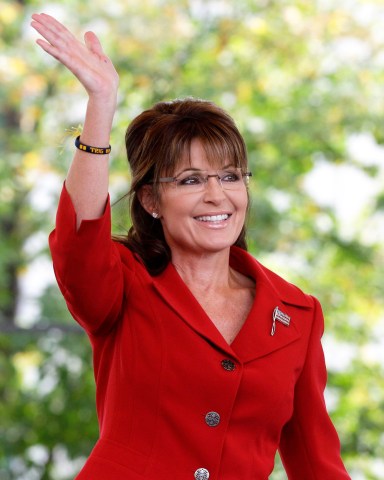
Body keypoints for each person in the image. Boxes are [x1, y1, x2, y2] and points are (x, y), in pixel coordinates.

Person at [31, 13, 351, 480]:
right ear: (151, 200)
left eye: (229, 176)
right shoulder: (124, 283)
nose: (216, 195)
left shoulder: (297, 316)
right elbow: (79, 240)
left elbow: (318, 464)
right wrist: (100, 104)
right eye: (190, 180)